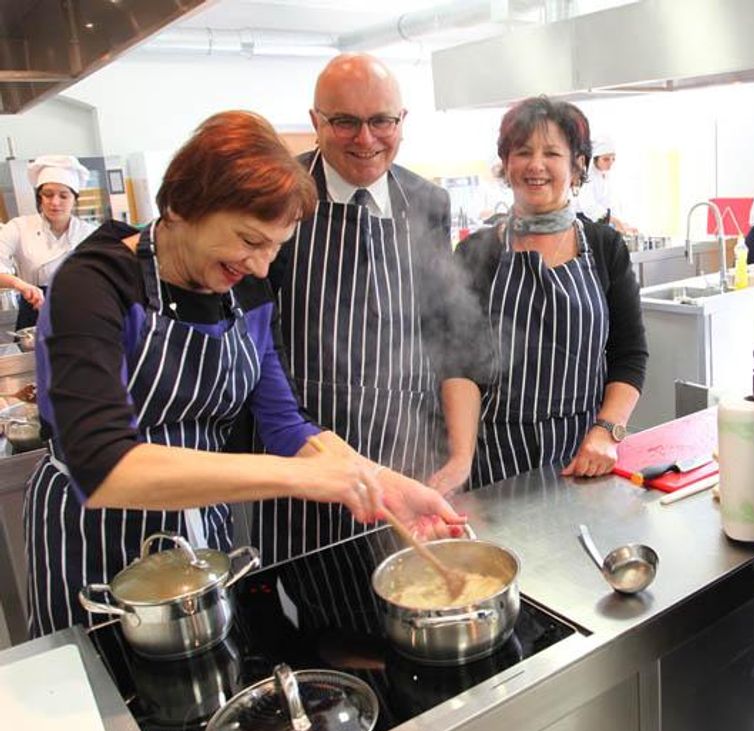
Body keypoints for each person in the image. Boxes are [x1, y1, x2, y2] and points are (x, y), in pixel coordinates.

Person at [24, 111, 463, 638]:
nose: (260, 266)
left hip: (200, 540)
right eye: (250, 241)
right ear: (182, 207)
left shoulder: (246, 291)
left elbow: (286, 425)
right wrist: (305, 478)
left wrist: (388, 486)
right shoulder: (93, 284)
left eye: (276, 248)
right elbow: (103, 465)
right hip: (94, 541)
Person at [250, 53, 479, 564]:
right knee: (325, 614)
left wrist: (457, 455)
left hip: (411, 446)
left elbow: (444, 330)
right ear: (315, 122)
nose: (366, 138)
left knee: (416, 595)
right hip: (308, 453)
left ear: (401, 121)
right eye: (345, 122)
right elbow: (259, 342)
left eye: (381, 121)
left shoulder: (427, 201)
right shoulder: (279, 196)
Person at [445, 97, 648, 489]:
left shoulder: (605, 246)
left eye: (552, 153)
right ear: (506, 164)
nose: (535, 165)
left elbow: (629, 353)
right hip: (493, 459)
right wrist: (460, 459)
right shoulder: (476, 253)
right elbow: (459, 366)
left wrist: (607, 431)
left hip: (584, 455)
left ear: (577, 166)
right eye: (522, 152)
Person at [0, 155, 98, 329]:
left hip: (80, 313)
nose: (55, 202)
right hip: (34, 314)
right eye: (48, 194)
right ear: (40, 197)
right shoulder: (19, 227)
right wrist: (20, 285)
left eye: (63, 196)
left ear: (75, 199)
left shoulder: (90, 234)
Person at [575, 134, 636, 234]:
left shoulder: (605, 176)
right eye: (606, 159)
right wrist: (615, 222)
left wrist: (624, 225)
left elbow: (611, 204)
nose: (610, 163)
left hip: (599, 224)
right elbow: (589, 207)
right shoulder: (585, 177)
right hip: (582, 223)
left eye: (613, 159)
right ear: (595, 159)